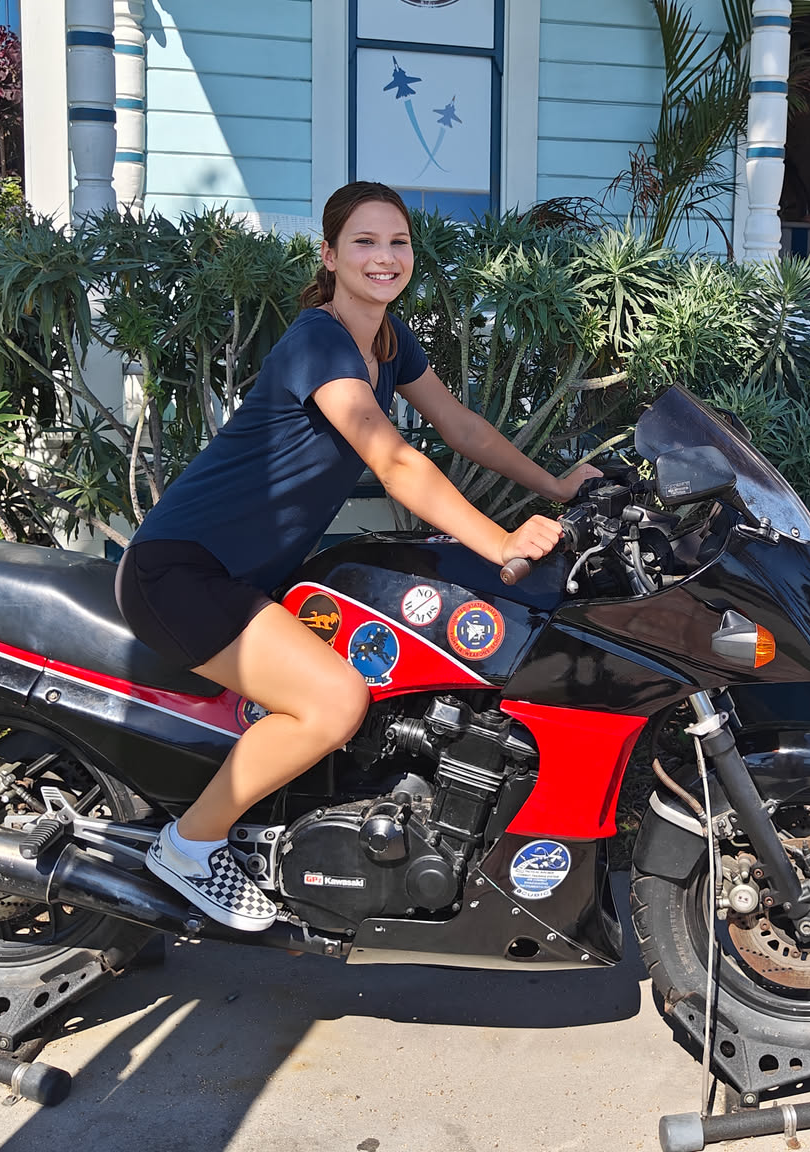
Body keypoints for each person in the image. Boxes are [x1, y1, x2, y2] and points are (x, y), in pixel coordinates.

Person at [115, 181, 599, 929]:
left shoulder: (388, 341)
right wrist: (501, 542)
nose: (385, 256)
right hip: (181, 571)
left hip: (241, 578)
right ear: (330, 256)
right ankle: (187, 848)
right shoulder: (320, 341)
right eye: (365, 242)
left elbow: (461, 428)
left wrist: (559, 486)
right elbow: (394, 459)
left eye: (397, 242)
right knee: (336, 702)